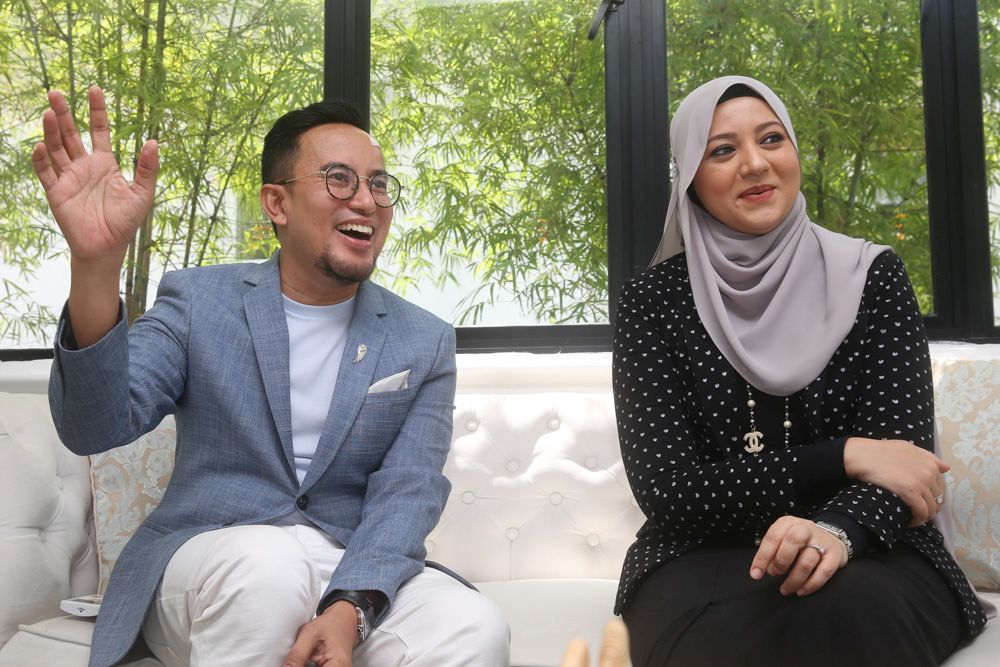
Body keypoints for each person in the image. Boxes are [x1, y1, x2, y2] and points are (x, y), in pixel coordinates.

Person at [32, 86, 509, 667]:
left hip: (347, 563)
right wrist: (96, 266)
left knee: (473, 624)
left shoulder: (422, 338)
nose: (366, 200)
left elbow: (408, 492)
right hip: (213, 557)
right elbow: (93, 425)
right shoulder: (200, 301)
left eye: (378, 184)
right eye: (339, 179)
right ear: (276, 204)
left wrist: (349, 607)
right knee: (267, 566)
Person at [612, 75, 990, 667]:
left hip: (870, 545)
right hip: (701, 553)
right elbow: (670, 492)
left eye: (771, 139)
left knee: (848, 616)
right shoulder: (653, 303)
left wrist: (836, 532)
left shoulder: (873, 278)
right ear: (690, 177)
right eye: (722, 150)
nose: (755, 164)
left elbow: (908, 472)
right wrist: (845, 456)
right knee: (726, 641)